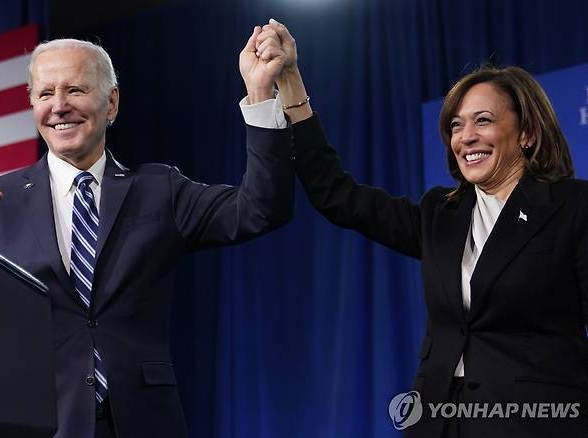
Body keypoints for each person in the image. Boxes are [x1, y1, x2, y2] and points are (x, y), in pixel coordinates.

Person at [252, 19, 588, 438]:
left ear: (527, 134)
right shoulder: (439, 214)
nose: (465, 137)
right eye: (455, 125)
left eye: (482, 120)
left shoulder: (572, 206)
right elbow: (337, 195)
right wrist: (291, 87)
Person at [0, 27, 294, 438]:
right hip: (42, 423)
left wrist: (259, 94)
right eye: (45, 94)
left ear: (111, 102)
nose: (59, 106)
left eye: (75, 90)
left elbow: (260, 209)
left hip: (145, 422)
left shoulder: (159, 189)